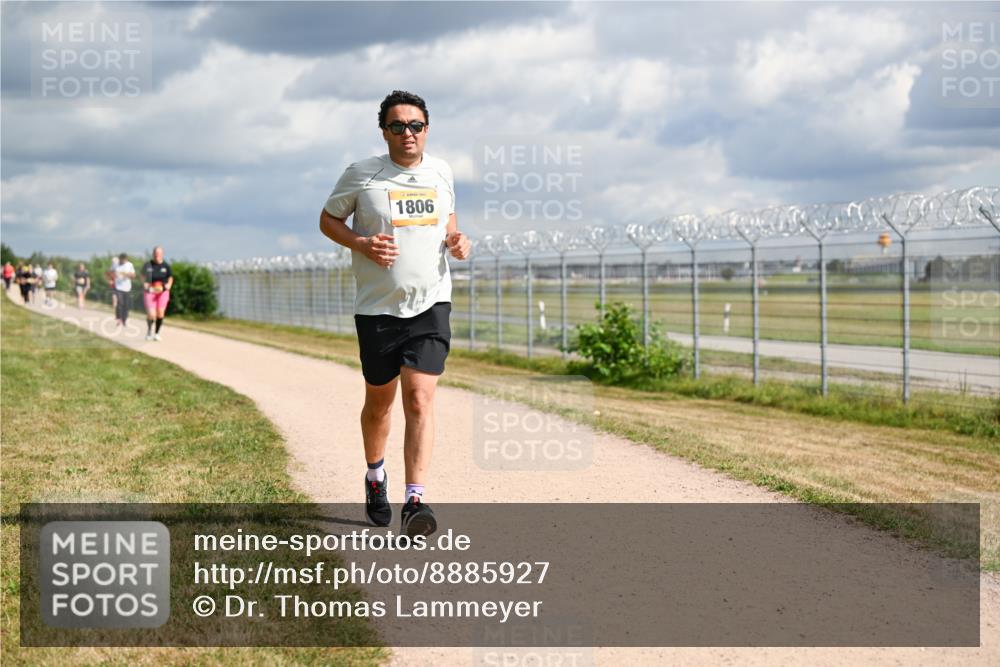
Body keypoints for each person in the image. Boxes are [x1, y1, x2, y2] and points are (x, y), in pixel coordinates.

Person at [319, 90, 471, 538]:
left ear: (427, 128)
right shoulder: (362, 175)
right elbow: (328, 221)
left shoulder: (441, 172)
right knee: (380, 405)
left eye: (416, 125)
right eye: (398, 126)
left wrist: (458, 241)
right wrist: (361, 244)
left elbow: (450, 226)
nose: (408, 133)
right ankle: (374, 476)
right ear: (384, 131)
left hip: (431, 302)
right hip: (378, 309)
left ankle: (416, 499)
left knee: (420, 399)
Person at [142, 246, 173, 341]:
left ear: (162, 254)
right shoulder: (148, 265)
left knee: (160, 313)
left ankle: (157, 333)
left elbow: (170, 278)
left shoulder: (166, 266)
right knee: (151, 314)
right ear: (153, 254)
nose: (157, 256)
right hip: (150, 291)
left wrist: (169, 285)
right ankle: (149, 331)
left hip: (162, 291)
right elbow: (142, 276)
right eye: (155, 254)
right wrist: (145, 284)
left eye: (159, 254)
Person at [113, 253, 136, 327]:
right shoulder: (115, 264)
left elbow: (133, 275)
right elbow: (110, 272)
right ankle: (119, 318)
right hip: (118, 287)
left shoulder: (129, 265)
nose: (122, 261)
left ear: (126, 259)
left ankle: (124, 320)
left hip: (127, 287)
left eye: (124, 260)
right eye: (121, 259)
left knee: (126, 305)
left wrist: (127, 274)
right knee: (120, 303)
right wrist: (112, 276)